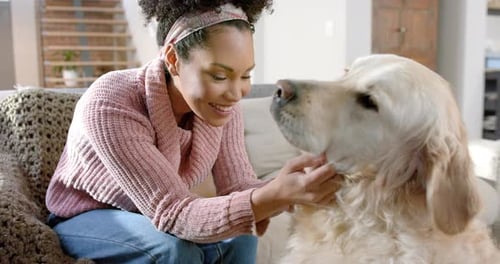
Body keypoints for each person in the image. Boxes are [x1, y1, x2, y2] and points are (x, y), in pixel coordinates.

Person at [45, 0, 339, 263]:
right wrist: (269, 198)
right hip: (84, 216)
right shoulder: (110, 102)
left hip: (148, 213)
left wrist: (294, 184)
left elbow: (237, 187)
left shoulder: (224, 105)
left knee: (243, 234)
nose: (236, 93)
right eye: (220, 75)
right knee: (171, 249)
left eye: (246, 74)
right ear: (173, 59)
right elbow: (172, 211)